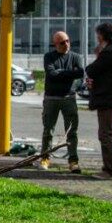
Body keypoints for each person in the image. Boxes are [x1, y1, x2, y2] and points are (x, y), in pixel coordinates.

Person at [85, 22, 112, 179]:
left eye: (98, 35)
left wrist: (99, 54)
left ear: (102, 35)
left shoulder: (109, 51)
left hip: (108, 98)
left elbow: (92, 69)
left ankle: (110, 169)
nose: (97, 38)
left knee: (105, 134)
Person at [40, 31, 84, 173]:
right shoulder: (49, 57)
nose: (66, 44)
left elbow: (80, 73)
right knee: (48, 130)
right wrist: (69, 73)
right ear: (55, 44)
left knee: (72, 131)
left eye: (67, 41)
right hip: (51, 98)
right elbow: (51, 74)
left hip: (69, 98)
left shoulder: (76, 57)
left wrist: (61, 73)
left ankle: (73, 161)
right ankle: (45, 157)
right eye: (62, 42)